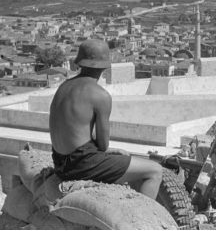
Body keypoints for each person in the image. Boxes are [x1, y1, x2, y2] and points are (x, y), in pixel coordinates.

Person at [49, 38, 163, 198]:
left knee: (122, 156)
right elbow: (103, 145)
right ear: (105, 66)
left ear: (80, 62)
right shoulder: (100, 95)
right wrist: (107, 151)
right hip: (81, 165)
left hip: (60, 162)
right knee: (154, 171)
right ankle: (144, 220)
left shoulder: (64, 86)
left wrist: (108, 151)